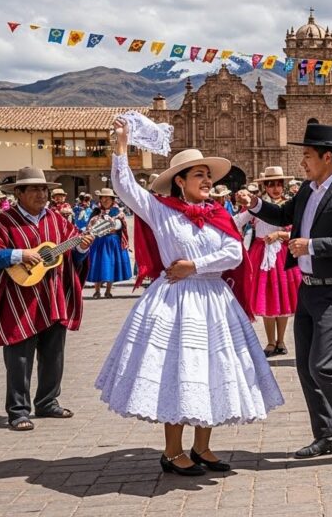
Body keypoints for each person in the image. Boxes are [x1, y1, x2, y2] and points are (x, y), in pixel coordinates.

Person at [96, 121, 283, 476]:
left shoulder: (218, 215)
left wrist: (194, 265)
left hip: (214, 299)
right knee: (181, 371)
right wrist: (122, 147)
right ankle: (171, 451)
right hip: (176, 302)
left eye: (208, 175)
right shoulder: (161, 211)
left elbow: (234, 253)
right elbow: (124, 188)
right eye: (199, 175)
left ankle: (202, 447)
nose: (207, 181)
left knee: (211, 371)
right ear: (180, 181)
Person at [235, 123, 332, 466]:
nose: (302, 162)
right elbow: (282, 214)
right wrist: (255, 204)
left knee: (323, 366)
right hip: (307, 289)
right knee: (306, 368)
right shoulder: (308, 191)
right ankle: (326, 434)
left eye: (307, 156)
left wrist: (311, 245)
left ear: (328, 157)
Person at [0, 167, 94, 431]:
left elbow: (72, 256)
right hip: (18, 300)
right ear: (18, 193)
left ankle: (47, 401)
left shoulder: (58, 221)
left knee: (54, 354)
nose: (41, 194)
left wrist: (81, 247)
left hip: (53, 297)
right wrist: (18, 255)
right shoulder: (2, 222)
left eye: (44, 189)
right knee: (19, 358)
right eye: (34, 188)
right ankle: (18, 411)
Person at [233, 166, 301, 358]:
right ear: (265, 187)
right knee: (267, 295)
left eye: (278, 184)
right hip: (262, 253)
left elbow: (299, 232)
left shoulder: (289, 205)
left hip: (282, 253)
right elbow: (236, 221)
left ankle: (281, 340)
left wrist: (280, 234)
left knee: (283, 296)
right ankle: (271, 341)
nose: (275, 188)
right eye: (271, 185)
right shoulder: (258, 206)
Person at [86, 188, 132, 299]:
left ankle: (108, 291)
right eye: (103, 198)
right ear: (100, 200)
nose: (105, 200)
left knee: (110, 265)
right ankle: (97, 291)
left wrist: (112, 225)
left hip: (112, 242)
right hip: (98, 242)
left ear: (112, 200)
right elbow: (89, 227)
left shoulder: (118, 212)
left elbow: (120, 225)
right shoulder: (96, 211)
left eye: (108, 198)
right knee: (98, 265)